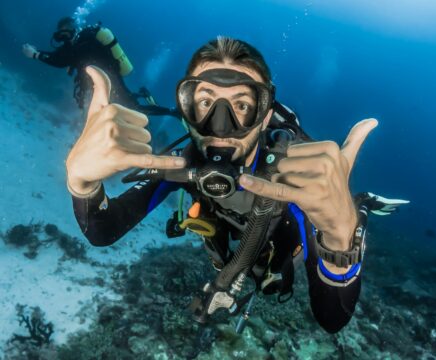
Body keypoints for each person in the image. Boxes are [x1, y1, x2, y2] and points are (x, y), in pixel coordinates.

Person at [65, 37, 408, 333]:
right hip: (231, 256)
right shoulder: (182, 162)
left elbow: (332, 318)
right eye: (205, 102)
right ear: (186, 110)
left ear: (264, 117)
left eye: (242, 105)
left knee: (331, 223)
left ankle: (359, 206)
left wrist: (340, 237)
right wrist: (82, 183)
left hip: (281, 252)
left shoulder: (294, 180)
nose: (221, 125)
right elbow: (103, 230)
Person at [22, 16, 177, 117]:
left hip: (110, 79)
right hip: (105, 80)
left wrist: (36, 55)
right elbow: (61, 56)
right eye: (61, 32)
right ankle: (142, 94)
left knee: (133, 109)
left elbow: (60, 60)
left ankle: (172, 112)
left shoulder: (84, 42)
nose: (63, 36)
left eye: (65, 30)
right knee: (120, 102)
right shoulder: (76, 43)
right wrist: (37, 52)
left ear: (72, 28)